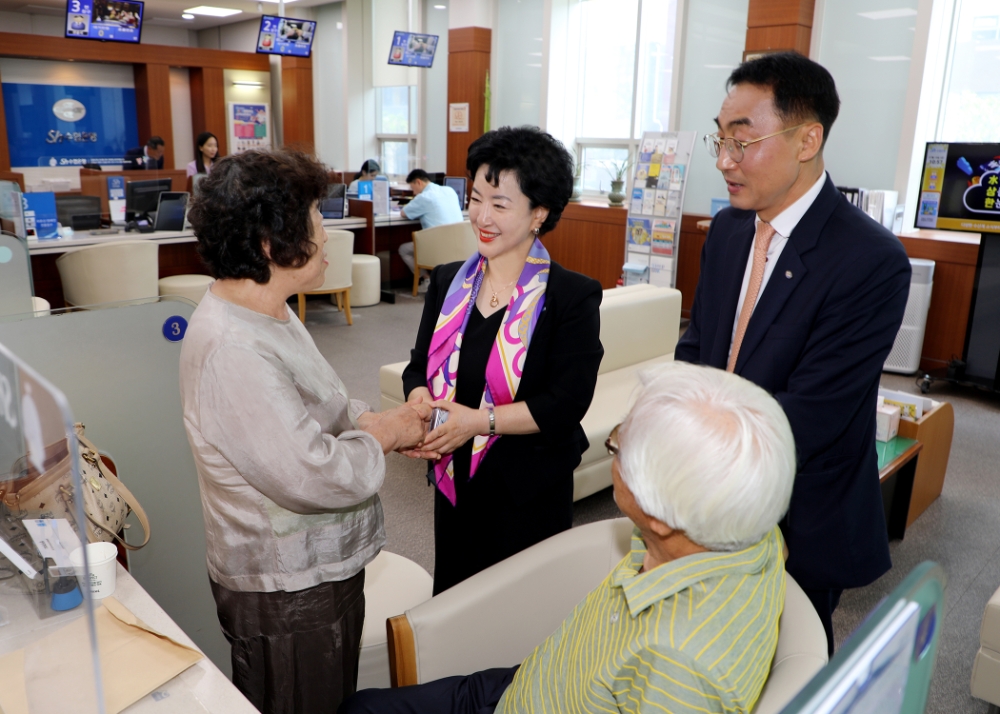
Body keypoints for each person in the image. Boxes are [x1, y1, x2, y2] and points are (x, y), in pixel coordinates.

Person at [342, 362, 797, 714]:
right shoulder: (749, 530)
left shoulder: (678, 667)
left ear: (661, 516)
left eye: (617, 445)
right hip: (537, 682)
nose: (610, 443)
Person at [675, 52, 911, 655]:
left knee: (788, 658)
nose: (725, 161)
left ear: (808, 139)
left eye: (743, 141)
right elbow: (701, 344)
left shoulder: (870, 260)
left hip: (796, 509)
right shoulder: (729, 229)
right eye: (719, 140)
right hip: (704, 481)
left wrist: (703, 458)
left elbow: (814, 413)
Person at [179, 149, 432, 714]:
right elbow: (312, 472)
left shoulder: (270, 307)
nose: (327, 233)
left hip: (317, 568)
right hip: (284, 586)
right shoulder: (233, 349)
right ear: (271, 246)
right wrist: (386, 434)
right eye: (317, 222)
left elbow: (320, 400)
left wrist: (364, 419)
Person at [401, 126, 604, 595]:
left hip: (525, 488)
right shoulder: (450, 282)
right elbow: (417, 367)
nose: (481, 216)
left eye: (500, 203)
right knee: (455, 601)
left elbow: (565, 403)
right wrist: (421, 404)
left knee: (519, 619)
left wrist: (478, 421)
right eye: (475, 198)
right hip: (456, 478)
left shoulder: (572, 296)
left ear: (539, 213)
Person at [399, 168, 464, 292]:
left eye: (413, 189)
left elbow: (403, 213)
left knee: (404, 249)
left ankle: (427, 279)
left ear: (418, 182)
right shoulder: (449, 190)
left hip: (439, 248)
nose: (414, 193)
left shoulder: (424, 197)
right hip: (459, 245)